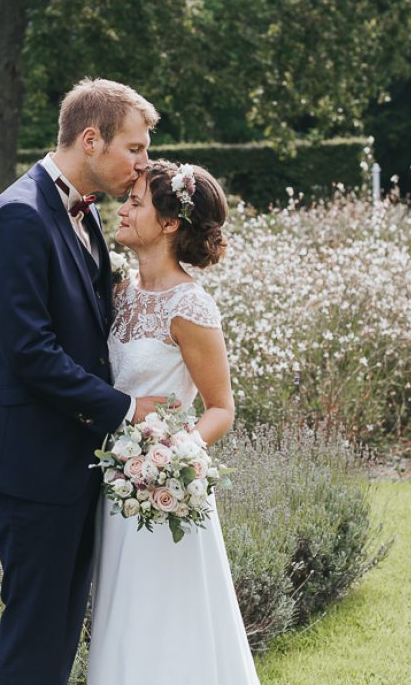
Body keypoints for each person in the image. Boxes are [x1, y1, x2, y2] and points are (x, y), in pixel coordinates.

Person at [0, 78, 171, 685]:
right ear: (90, 139)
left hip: (75, 459)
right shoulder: (19, 217)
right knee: (37, 634)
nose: (143, 162)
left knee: (59, 630)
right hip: (33, 465)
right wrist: (128, 410)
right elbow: (31, 353)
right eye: (134, 148)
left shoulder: (82, 213)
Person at [87, 160, 261, 684]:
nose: (123, 209)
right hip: (115, 485)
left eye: (136, 202)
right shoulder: (116, 292)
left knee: (170, 620)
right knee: (123, 615)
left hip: (165, 488)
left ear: (168, 224)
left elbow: (221, 409)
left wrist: (172, 457)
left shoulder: (191, 307)